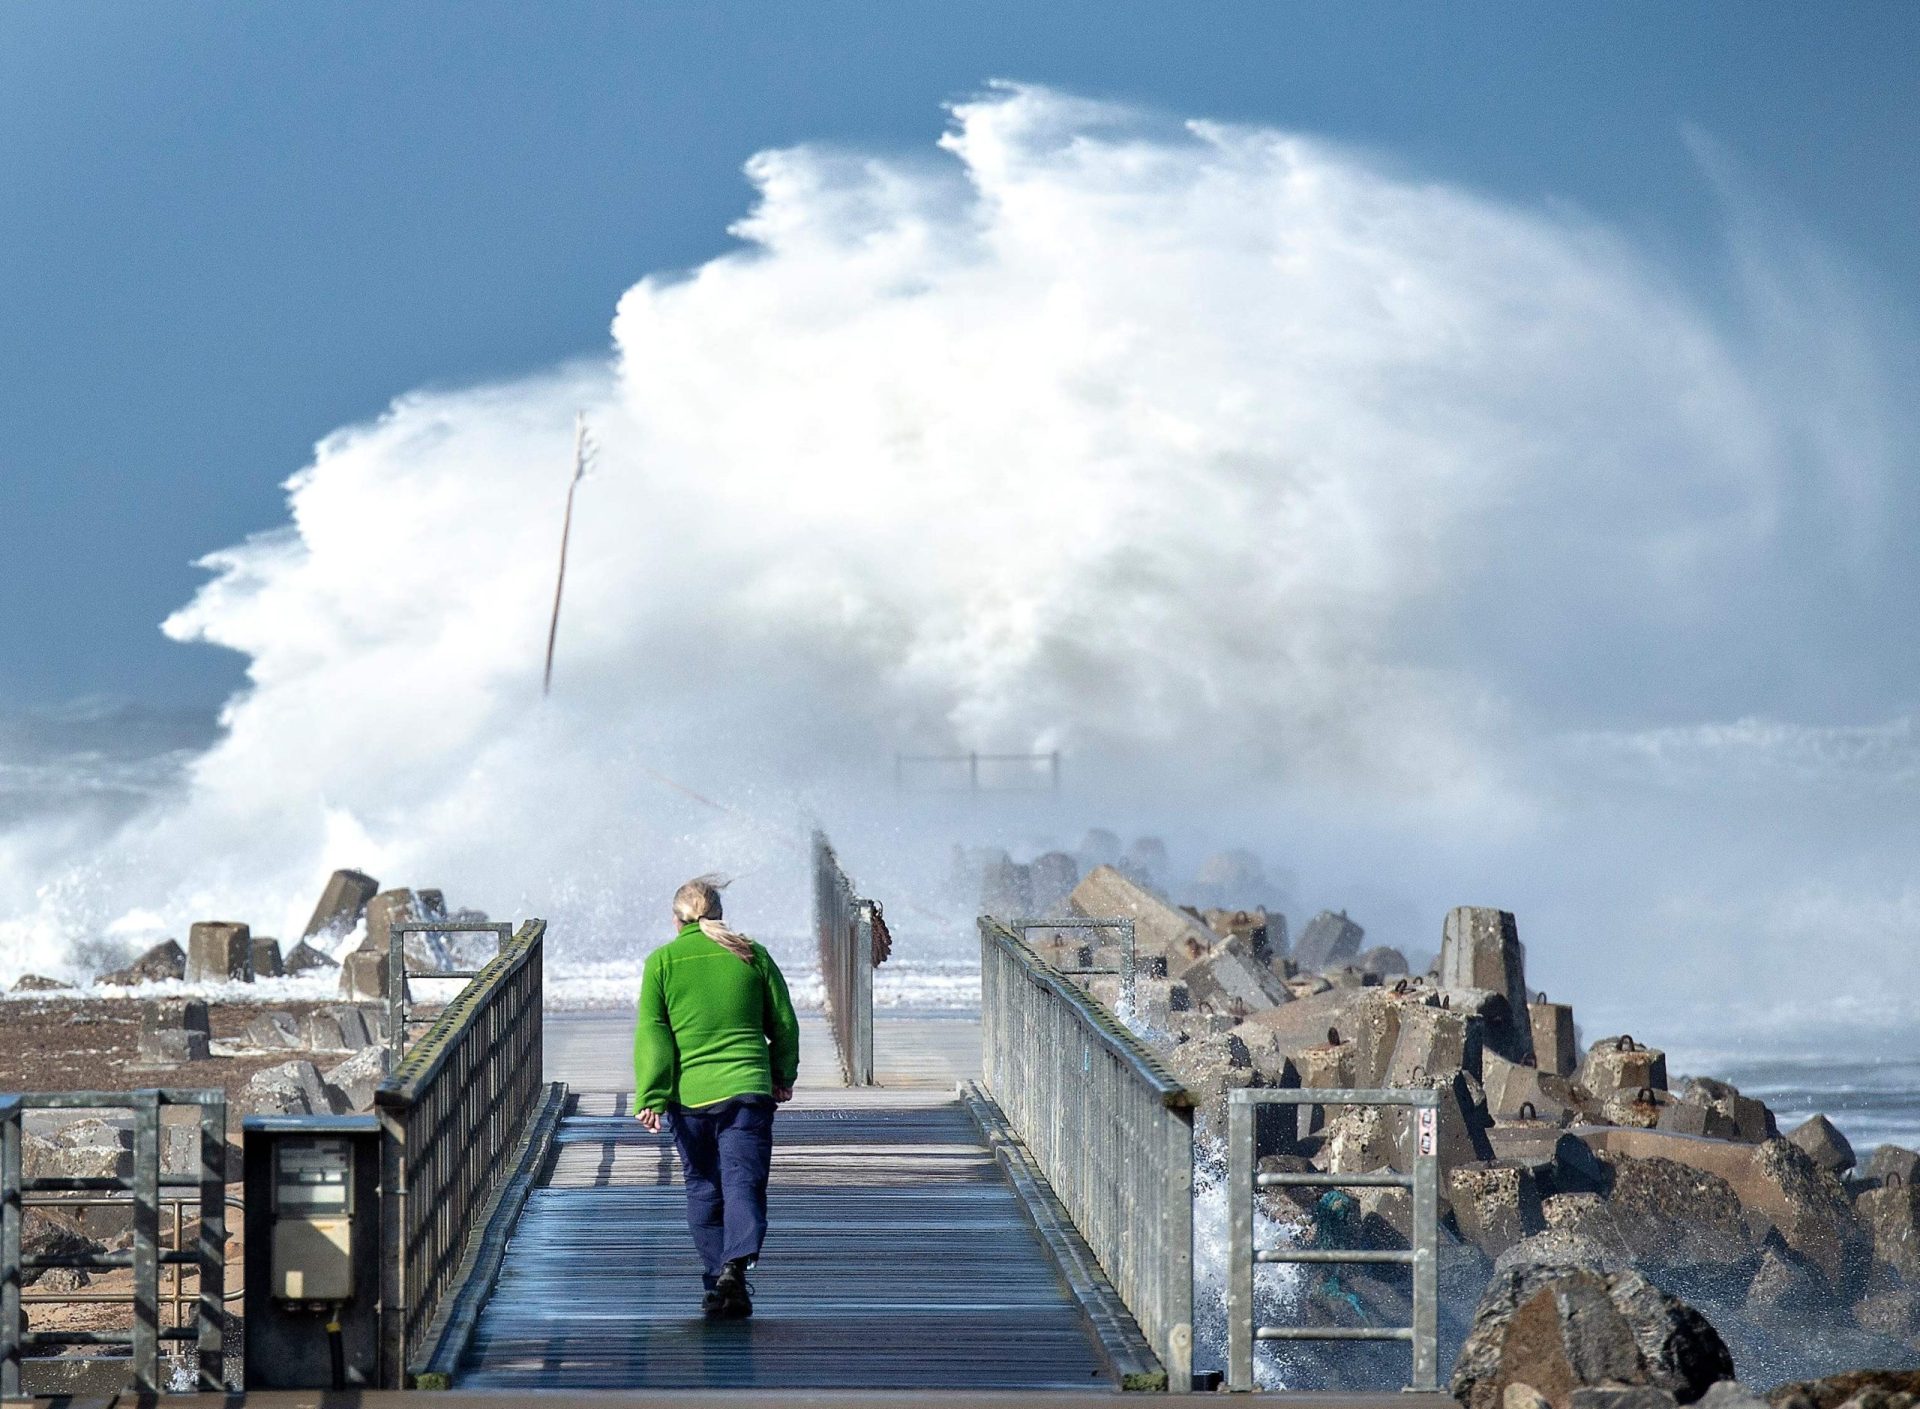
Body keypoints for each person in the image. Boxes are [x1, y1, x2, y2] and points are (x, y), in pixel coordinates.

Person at [634, 876, 800, 1320]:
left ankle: (718, 1278)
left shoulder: (662, 962)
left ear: (676, 920)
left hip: (690, 1098)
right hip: (747, 1089)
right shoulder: (751, 954)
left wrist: (651, 1095)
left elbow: (654, 1035)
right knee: (742, 1182)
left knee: (703, 1186)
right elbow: (783, 1022)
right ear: (720, 915)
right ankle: (734, 1269)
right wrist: (783, 1072)